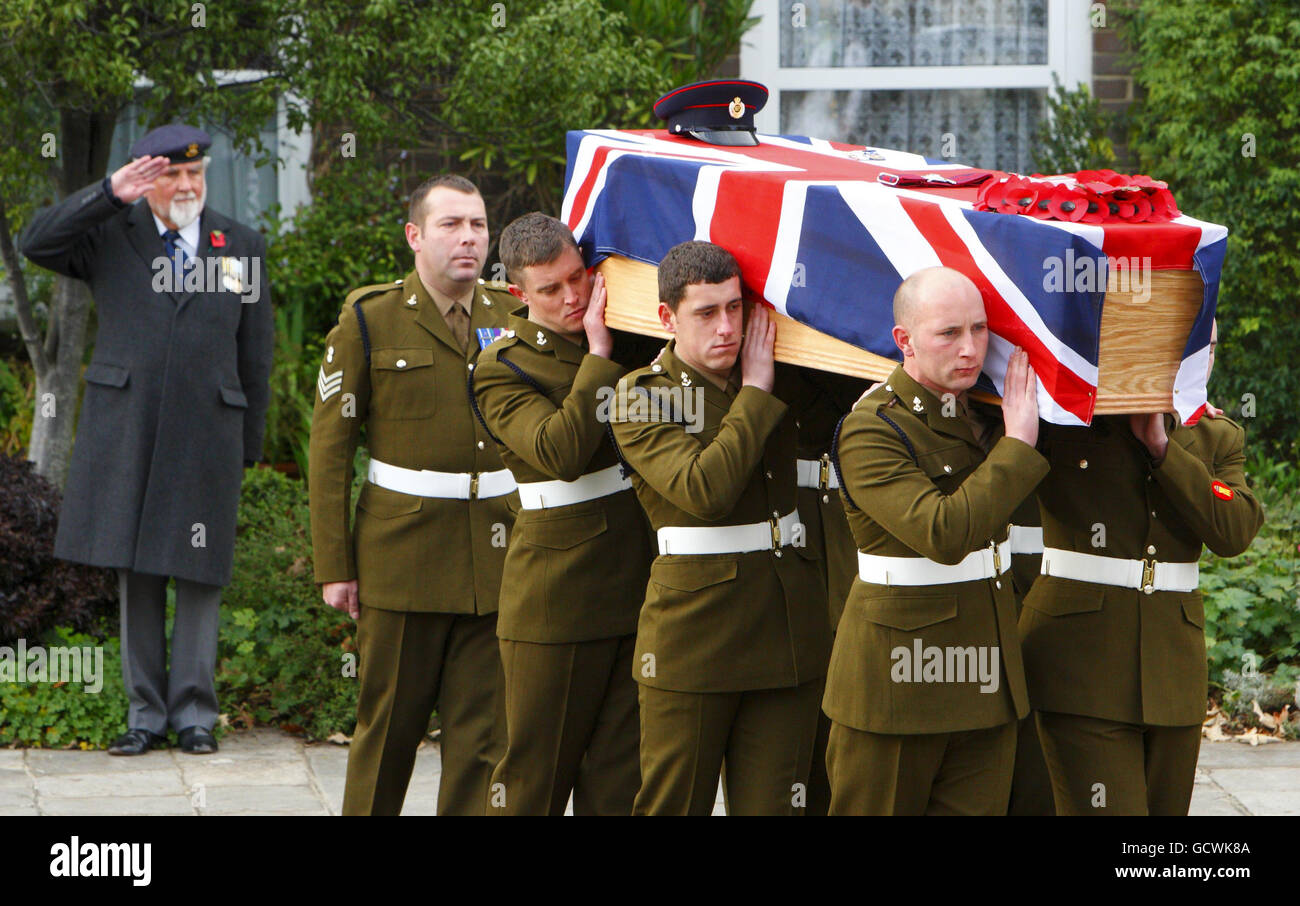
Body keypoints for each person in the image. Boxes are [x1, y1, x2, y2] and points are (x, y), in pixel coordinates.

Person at [19, 124, 273, 756]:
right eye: (170, 175)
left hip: (208, 429)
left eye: (195, 174)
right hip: (127, 426)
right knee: (136, 570)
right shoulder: (110, 234)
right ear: (144, 178)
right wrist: (108, 193)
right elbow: (35, 242)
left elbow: (256, 351)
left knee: (198, 572)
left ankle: (194, 716)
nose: (185, 185)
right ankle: (145, 715)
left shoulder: (239, 246)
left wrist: (250, 442)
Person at [308, 174, 517, 815]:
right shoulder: (369, 318)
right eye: (451, 224)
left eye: (478, 225)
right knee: (388, 735)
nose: (468, 238)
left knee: (483, 745)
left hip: (496, 558)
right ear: (415, 236)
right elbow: (330, 449)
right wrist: (335, 567)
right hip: (402, 559)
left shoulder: (511, 314)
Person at [609, 240, 832, 816]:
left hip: (785, 628)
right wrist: (756, 391)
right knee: (674, 804)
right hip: (695, 638)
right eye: (706, 313)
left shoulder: (784, 376)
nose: (727, 327)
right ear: (667, 318)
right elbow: (703, 490)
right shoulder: (642, 397)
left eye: (736, 308)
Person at [823, 266, 1047, 815]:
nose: (970, 348)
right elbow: (942, 533)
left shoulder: (986, 413)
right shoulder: (873, 427)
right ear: (905, 341)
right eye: (949, 333)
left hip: (987, 683)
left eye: (979, 329)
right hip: (897, 687)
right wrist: (1018, 446)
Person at [1020, 317, 1263, 815]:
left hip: (1172, 666)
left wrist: (1163, 447)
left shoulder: (1215, 436)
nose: (1202, 359)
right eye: (1186, 346)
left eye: (1208, 347)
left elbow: (1234, 530)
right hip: (1079, 664)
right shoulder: (1068, 420)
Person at [470, 212, 654, 815]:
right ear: (521, 294)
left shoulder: (631, 337)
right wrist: (599, 355)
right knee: (535, 778)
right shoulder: (503, 367)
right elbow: (561, 452)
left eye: (578, 277)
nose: (573, 297)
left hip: (635, 583)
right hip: (557, 597)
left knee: (620, 778)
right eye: (551, 289)